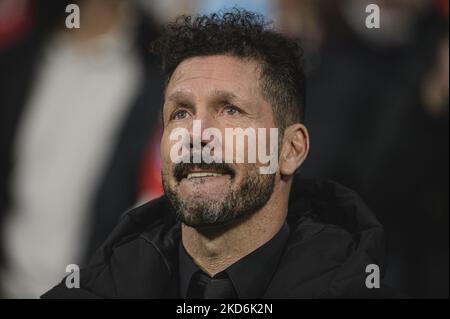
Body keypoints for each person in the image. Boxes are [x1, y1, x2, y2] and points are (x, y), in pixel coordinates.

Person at [42, 9, 397, 299]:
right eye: (180, 113)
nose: (197, 135)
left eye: (229, 110)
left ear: (291, 150)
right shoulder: (97, 287)